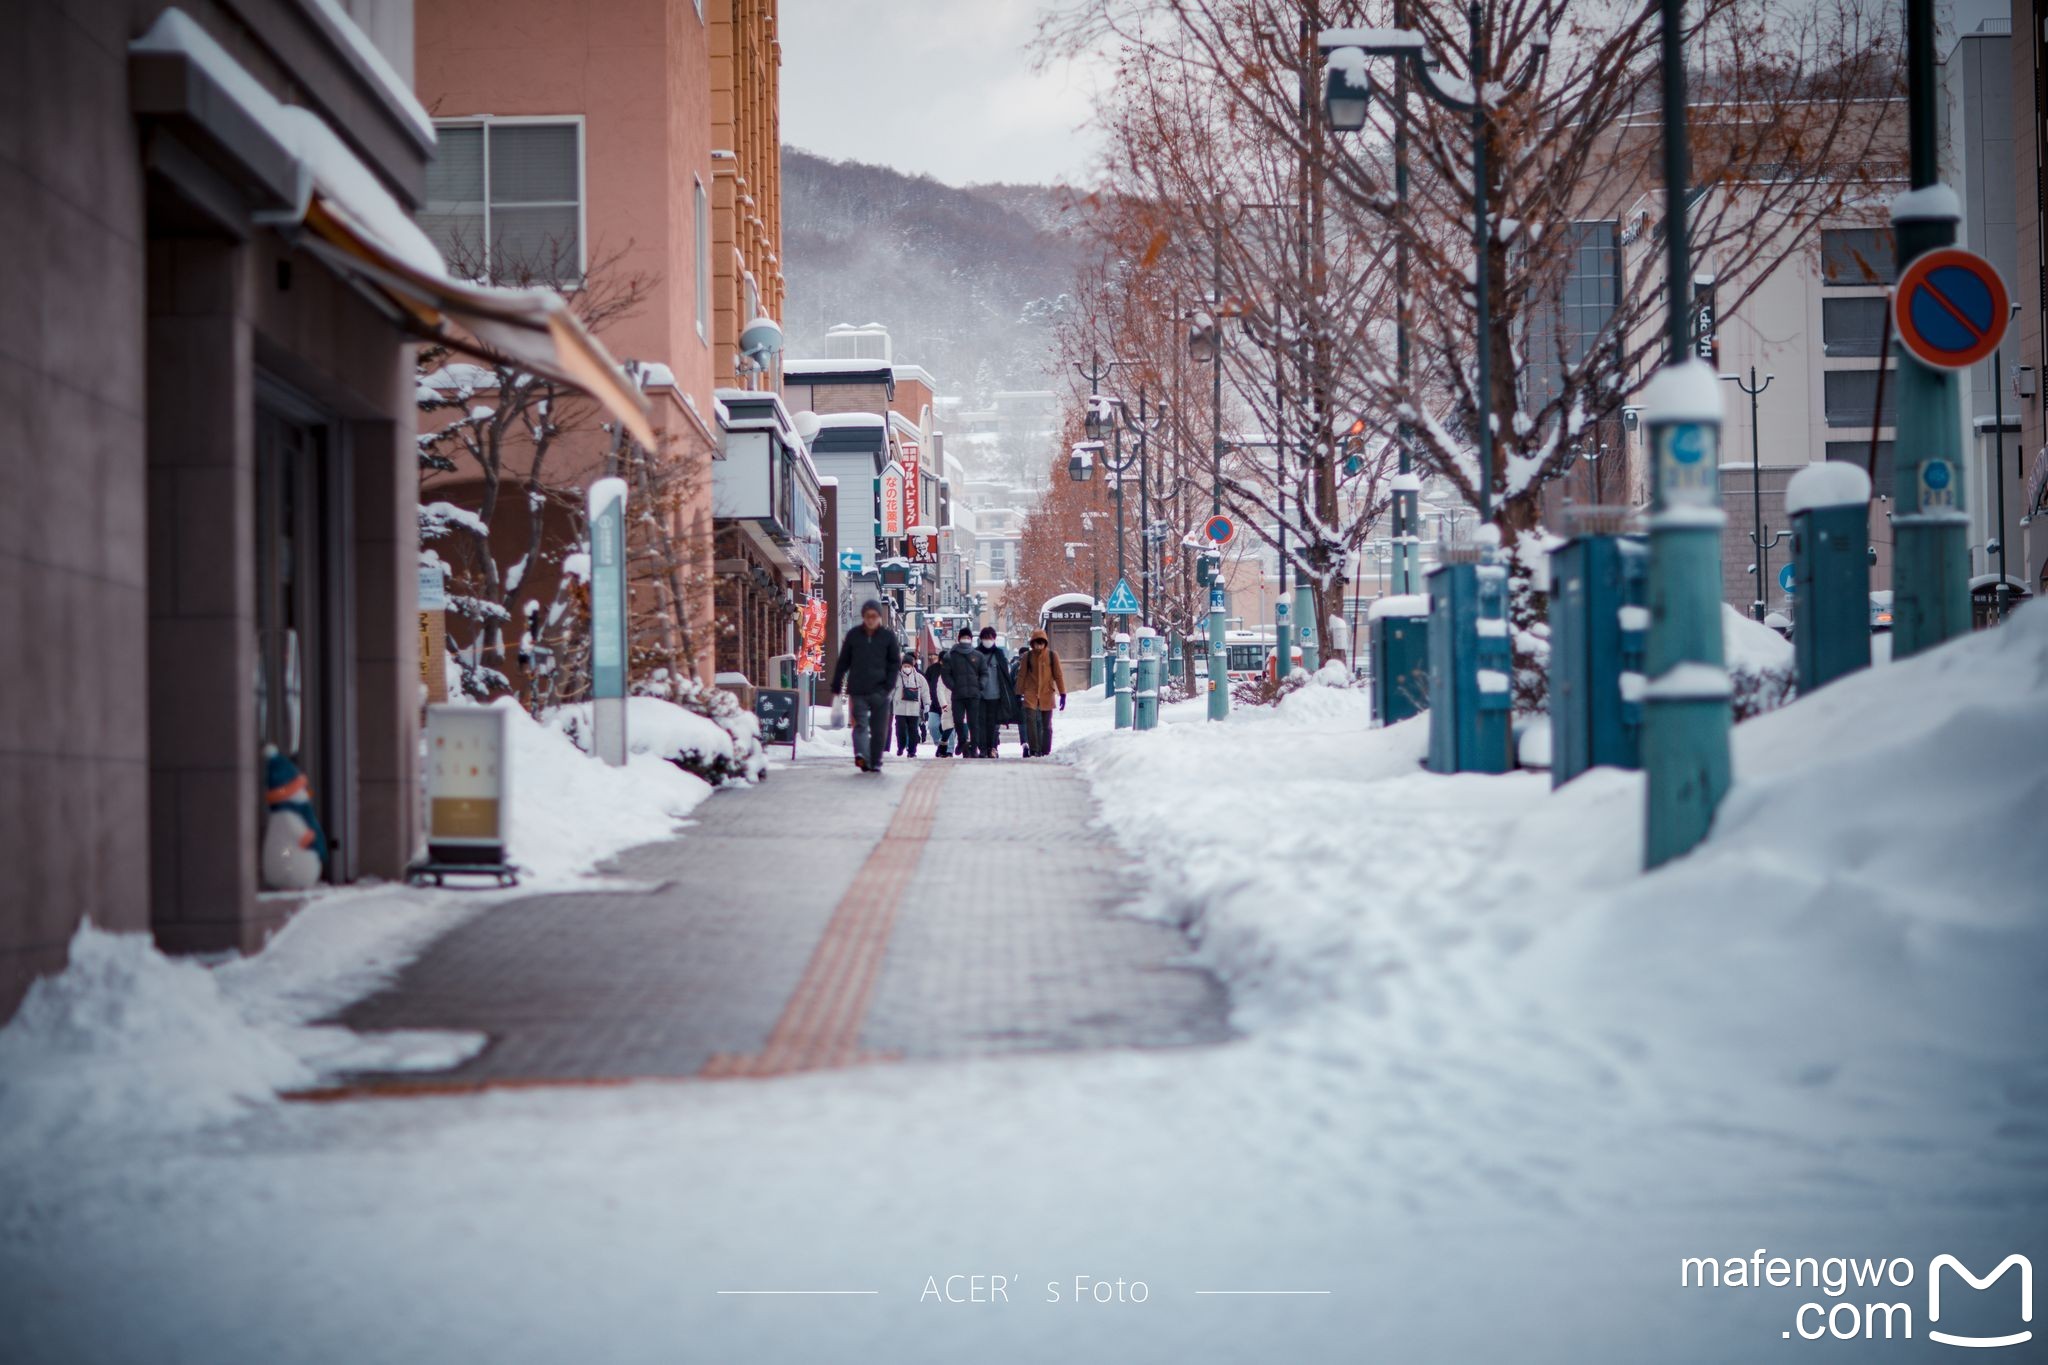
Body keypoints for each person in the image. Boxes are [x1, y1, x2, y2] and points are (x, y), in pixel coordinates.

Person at [830, 599, 901, 772]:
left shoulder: (887, 636)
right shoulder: (854, 635)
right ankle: (862, 755)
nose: (871, 620)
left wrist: (888, 686)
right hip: (858, 689)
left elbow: (894, 664)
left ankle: (875, 760)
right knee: (860, 725)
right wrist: (837, 684)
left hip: (880, 690)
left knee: (878, 729)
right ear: (863, 617)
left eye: (874, 616)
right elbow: (843, 661)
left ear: (879, 617)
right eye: (868, 616)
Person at [1015, 629, 1067, 756]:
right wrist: (1018, 693)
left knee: (1046, 724)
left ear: (1045, 643)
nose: (1039, 646)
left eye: (1041, 643)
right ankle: (1034, 748)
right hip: (1030, 693)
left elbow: (1058, 675)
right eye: (1036, 643)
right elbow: (1021, 676)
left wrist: (1063, 694)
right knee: (1031, 721)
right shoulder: (1027, 656)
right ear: (1032, 643)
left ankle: (1045, 749)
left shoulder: (1051, 655)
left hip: (1047, 693)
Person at [972, 626, 1016, 758]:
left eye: (990, 638)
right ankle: (983, 749)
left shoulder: (999, 654)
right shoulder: (975, 655)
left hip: (995, 694)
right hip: (979, 694)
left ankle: (992, 747)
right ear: (981, 639)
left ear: (994, 639)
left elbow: (1005, 675)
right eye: (985, 638)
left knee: (992, 723)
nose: (988, 640)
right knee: (980, 723)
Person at [941, 628, 986, 758]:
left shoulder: (978, 656)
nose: (965, 639)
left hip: (974, 695)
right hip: (958, 695)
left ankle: (974, 748)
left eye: (968, 637)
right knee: (958, 721)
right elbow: (945, 674)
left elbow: (984, 672)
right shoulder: (950, 655)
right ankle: (962, 741)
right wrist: (953, 686)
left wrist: (980, 685)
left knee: (973, 723)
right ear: (959, 639)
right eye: (963, 637)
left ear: (971, 639)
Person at [892, 655, 930, 757]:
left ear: (912, 666)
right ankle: (901, 746)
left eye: (909, 666)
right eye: (905, 665)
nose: (907, 668)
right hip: (900, 709)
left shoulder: (919, 678)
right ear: (902, 666)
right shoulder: (896, 677)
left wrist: (927, 703)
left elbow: (925, 691)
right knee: (900, 730)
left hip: (914, 710)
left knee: (913, 731)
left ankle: (912, 751)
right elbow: (890, 690)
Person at [924, 654, 956, 756]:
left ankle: (949, 750)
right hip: (934, 705)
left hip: (950, 705)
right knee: (933, 726)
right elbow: (926, 685)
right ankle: (940, 745)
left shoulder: (955, 671)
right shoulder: (932, 669)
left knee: (949, 727)